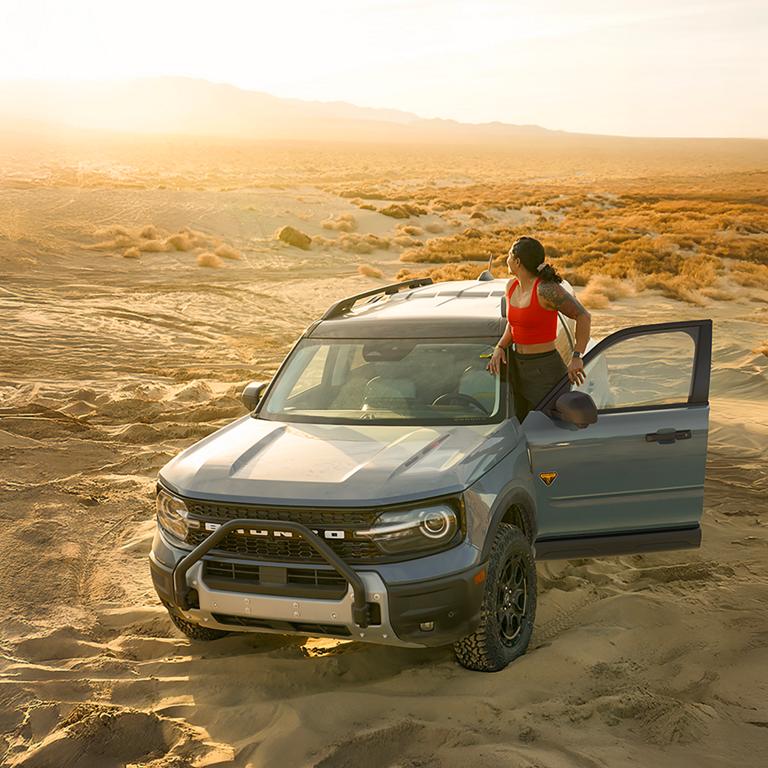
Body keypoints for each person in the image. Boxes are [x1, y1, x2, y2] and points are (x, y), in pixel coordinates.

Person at [487, 236, 591, 422]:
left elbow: (583, 316)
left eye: (509, 254)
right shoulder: (511, 287)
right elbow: (514, 323)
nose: (507, 259)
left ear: (517, 261)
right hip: (517, 368)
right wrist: (500, 347)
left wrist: (577, 356)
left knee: (548, 429)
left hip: (545, 371)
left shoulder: (546, 290)